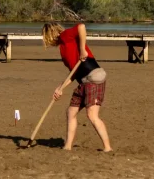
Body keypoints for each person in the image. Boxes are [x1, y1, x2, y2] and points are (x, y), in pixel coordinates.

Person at [43, 22, 112, 152]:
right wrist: (60, 88)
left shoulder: (65, 35)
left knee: (92, 115)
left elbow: (81, 27)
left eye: (47, 37)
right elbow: (73, 73)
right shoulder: (63, 49)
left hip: (94, 76)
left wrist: (82, 49)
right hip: (83, 81)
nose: (48, 41)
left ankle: (107, 147)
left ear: (51, 34)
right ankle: (68, 146)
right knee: (71, 112)